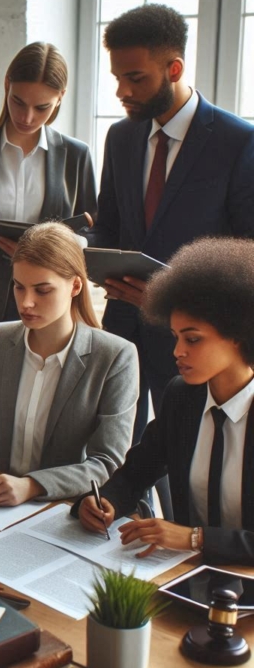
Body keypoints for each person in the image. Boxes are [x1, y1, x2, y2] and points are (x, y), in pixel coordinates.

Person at [86, 3, 254, 443]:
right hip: (122, 328)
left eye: (135, 78)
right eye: (118, 78)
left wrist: (171, 293)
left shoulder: (238, 142)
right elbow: (110, 226)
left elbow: (247, 255)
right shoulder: (120, 137)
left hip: (194, 341)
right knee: (120, 454)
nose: (122, 91)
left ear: (174, 67)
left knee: (185, 461)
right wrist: (78, 251)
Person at [76, 237, 254, 566]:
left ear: (239, 334)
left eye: (193, 339)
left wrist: (194, 538)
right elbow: (138, 471)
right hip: (184, 577)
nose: (177, 352)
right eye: (175, 337)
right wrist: (108, 501)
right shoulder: (181, 397)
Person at [0, 223, 137, 505]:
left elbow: (106, 464)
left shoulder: (115, 356)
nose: (26, 302)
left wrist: (31, 486)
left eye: (42, 290)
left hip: (62, 511)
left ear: (75, 285)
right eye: (19, 287)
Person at [0, 42, 96, 408]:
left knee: (42, 405)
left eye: (42, 106)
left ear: (60, 99)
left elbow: (91, 231)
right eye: (18, 102)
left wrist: (61, 248)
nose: (27, 116)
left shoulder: (76, 155)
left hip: (51, 304)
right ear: (7, 85)